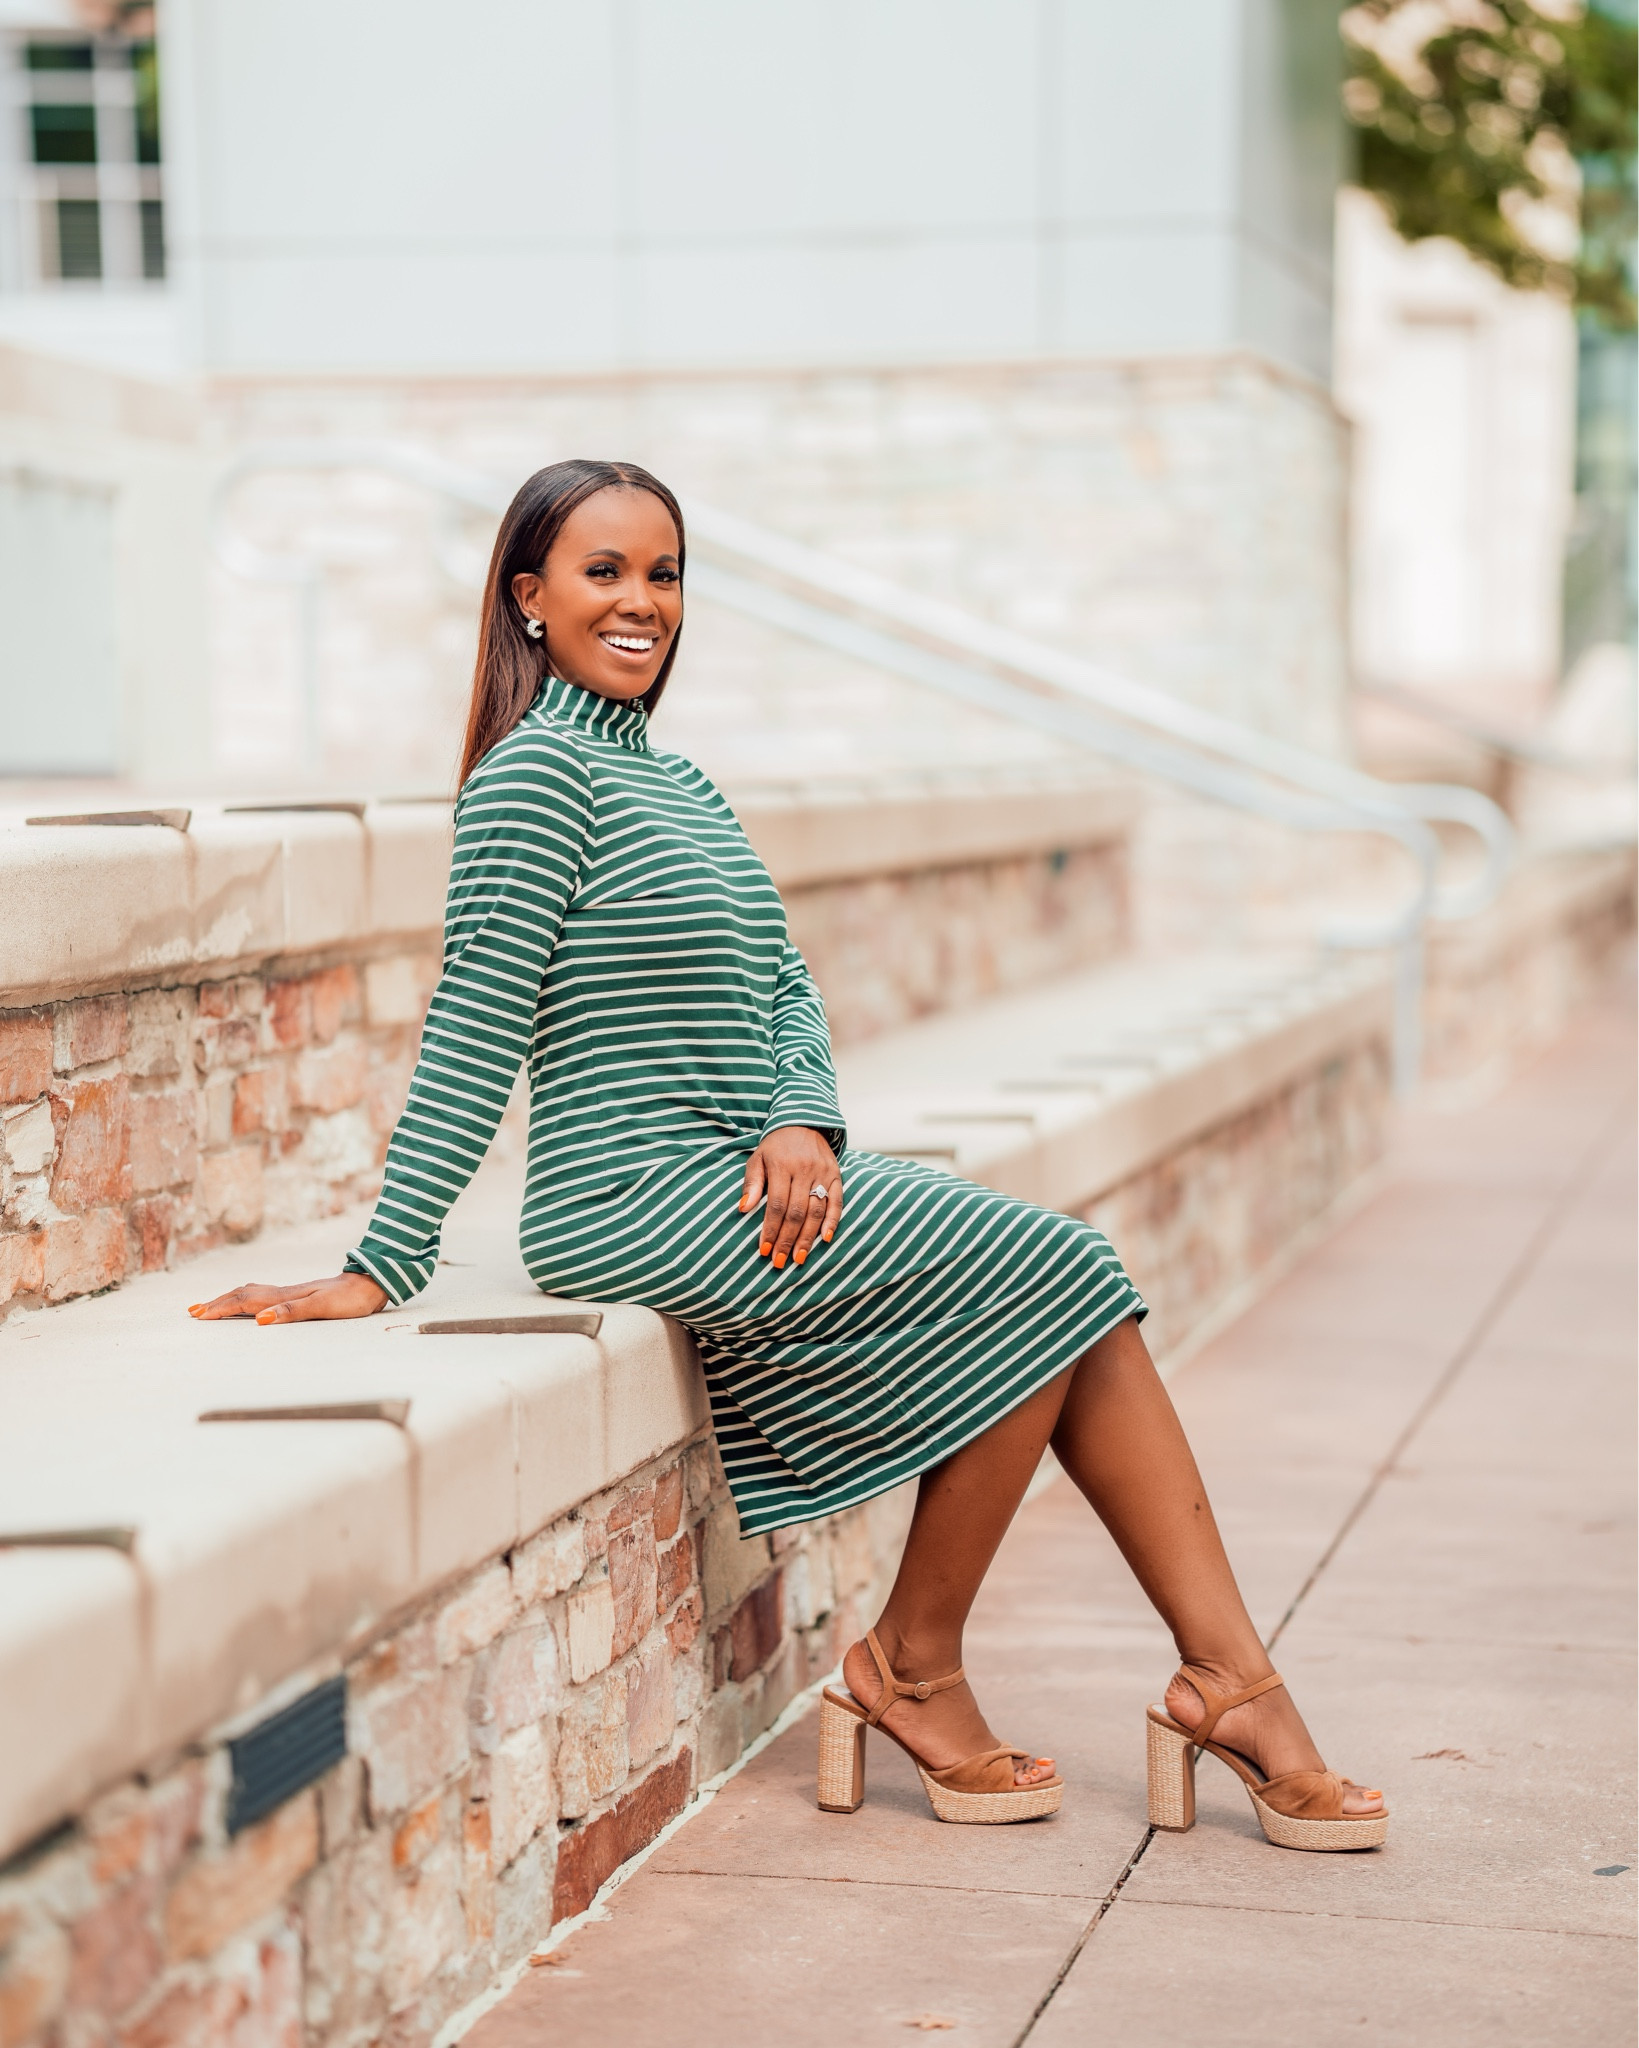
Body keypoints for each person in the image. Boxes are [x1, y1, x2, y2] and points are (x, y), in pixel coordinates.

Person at [191, 460, 1387, 1848]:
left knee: (1062, 1292)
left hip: (738, 1168)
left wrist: (801, 1116)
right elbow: (474, 1017)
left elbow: (784, 982)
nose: (642, 602)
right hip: (626, 1198)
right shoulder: (534, 785)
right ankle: (968, 1673)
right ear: (528, 598)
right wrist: (381, 1261)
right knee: (1058, 1266)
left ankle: (1189, 1678)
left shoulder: (675, 781)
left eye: (665, 573)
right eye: (604, 572)